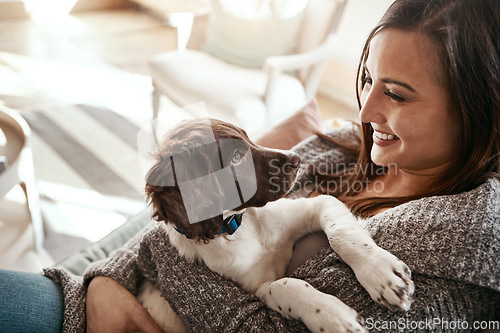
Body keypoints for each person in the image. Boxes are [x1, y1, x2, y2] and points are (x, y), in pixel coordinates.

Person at [1, 0, 498, 332]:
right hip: (93, 302)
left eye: (395, 94)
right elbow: (193, 211)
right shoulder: (348, 144)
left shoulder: (463, 237)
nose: (365, 113)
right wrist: (105, 281)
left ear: (479, 108)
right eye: (367, 79)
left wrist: (146, 263)